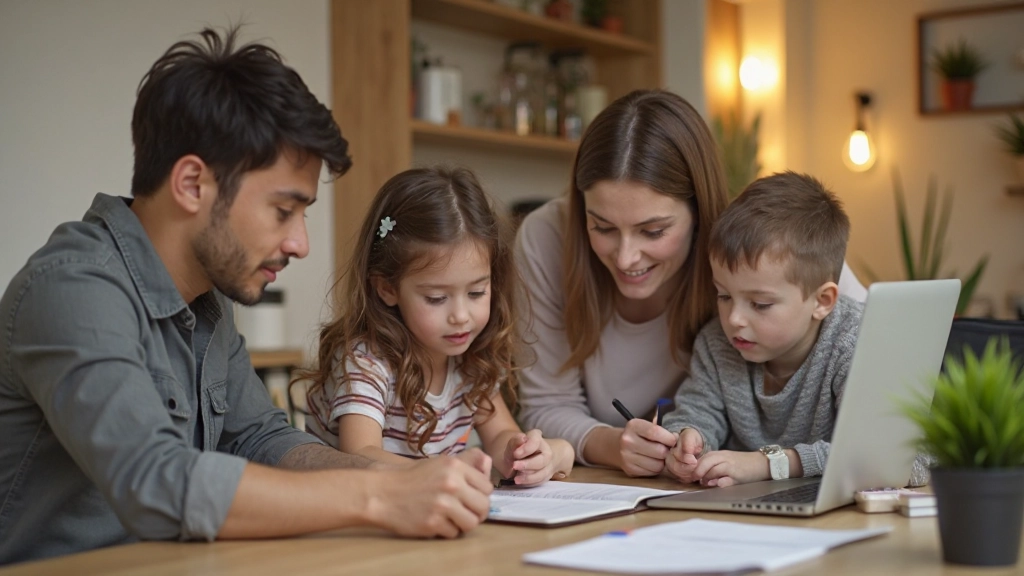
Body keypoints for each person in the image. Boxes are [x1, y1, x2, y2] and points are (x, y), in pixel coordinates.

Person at [0, 27, 492, 565]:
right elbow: (156, 481)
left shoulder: (208, 299)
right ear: (192, 184)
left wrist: (407, 476)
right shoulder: (72, 288)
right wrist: (380, 496)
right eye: (283, 211)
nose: (300, 243)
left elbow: (262, 440)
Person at [514, 89, 868, 477]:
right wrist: (621, 445)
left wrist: (773, 463)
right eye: (603, 227)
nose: (626, 257)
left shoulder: (753, 246)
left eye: (653, 231)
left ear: (700, 213)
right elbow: (546, 404)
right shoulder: (548, 236)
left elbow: (880, 354)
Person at [303, 166, 574, 486]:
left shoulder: (471, 360)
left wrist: (522, 453)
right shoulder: (366, 361)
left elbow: (501, 433)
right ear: (387, 288)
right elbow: (359, 453)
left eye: (476, 292)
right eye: (436, 298)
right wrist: (440, 470)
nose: (460, 316)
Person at [660, 172, 928, 487]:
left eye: (760, 304)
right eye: (724, 295)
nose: (734, 319)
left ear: (822, 301)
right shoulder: (716, 342)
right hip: (746, 508)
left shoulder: (858, 342)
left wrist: (771, 463)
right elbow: (697, 412)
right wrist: (688, 440)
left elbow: (909, 460)